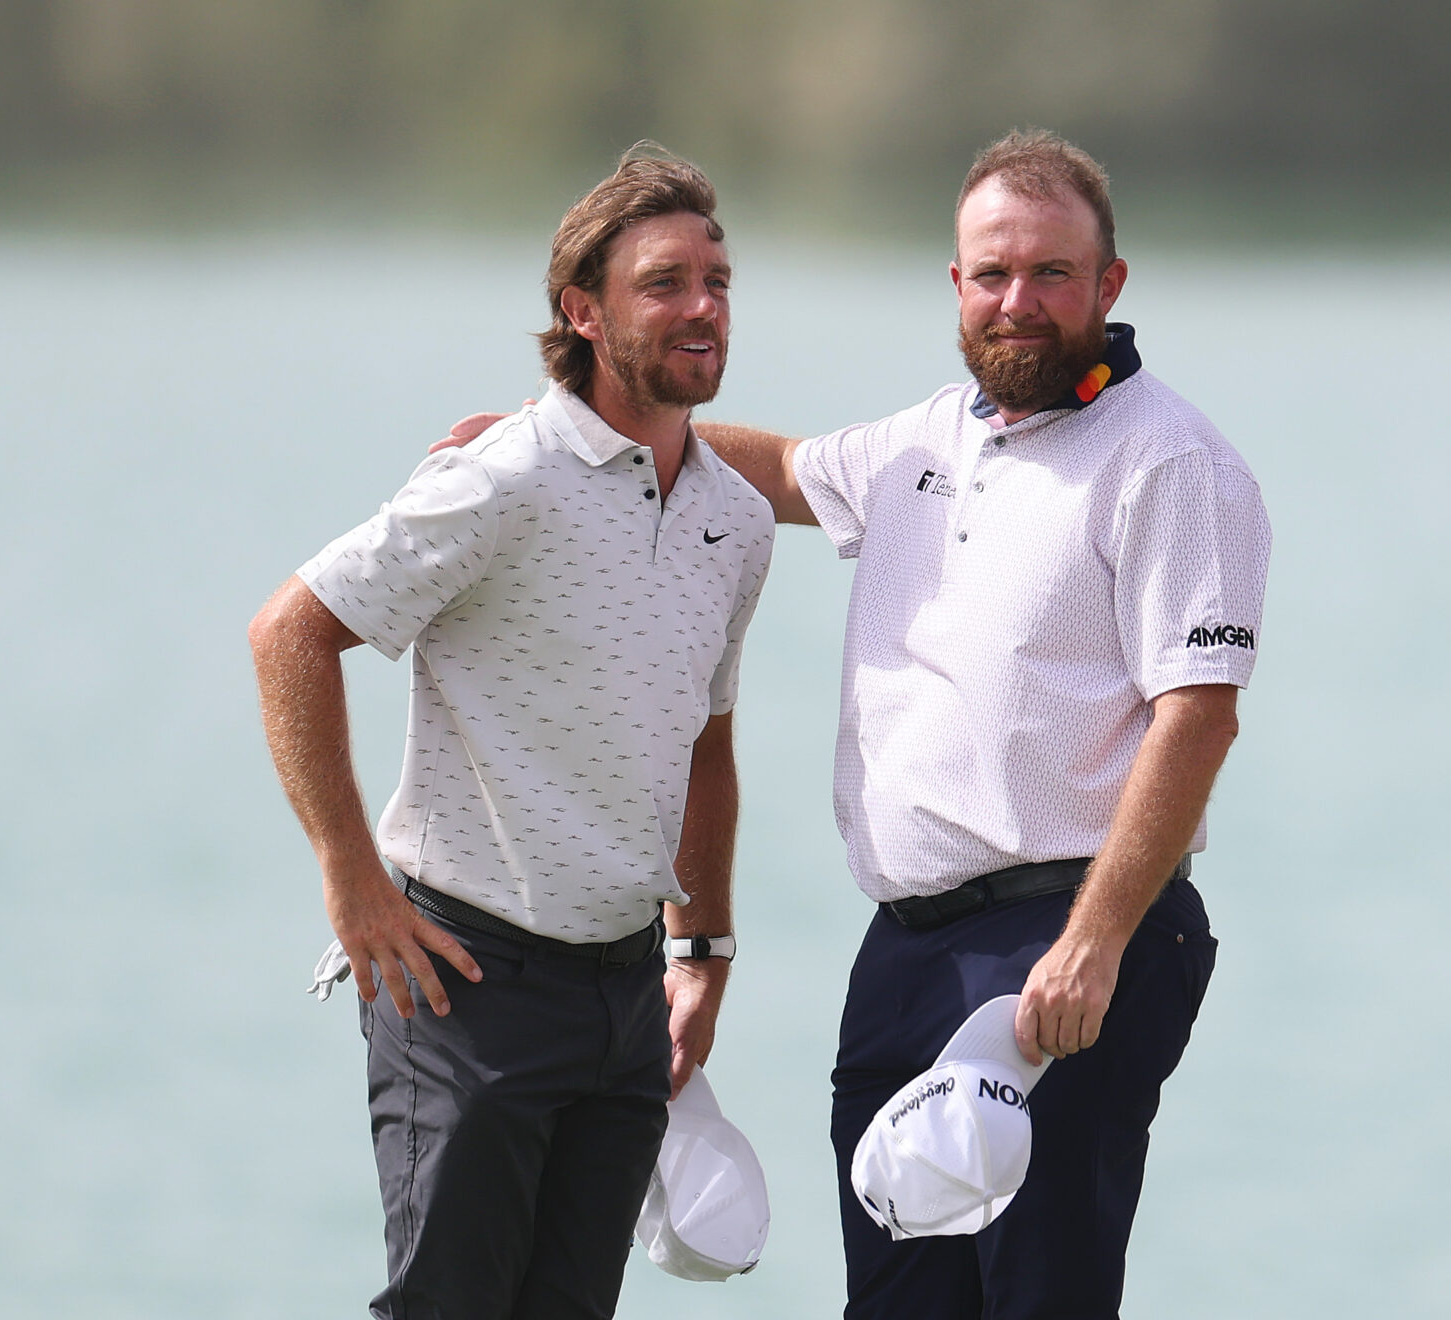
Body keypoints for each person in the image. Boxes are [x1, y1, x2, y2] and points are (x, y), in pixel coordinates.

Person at [444, 128, 1271, 1319]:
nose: (1019, 301)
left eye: (1052, 273)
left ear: (1110, 284)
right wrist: (574, 437)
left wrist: (1094, 944)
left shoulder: (1171, 463)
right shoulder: (926, 440)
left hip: (1074, 935)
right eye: (994, 273)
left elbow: (1196, 721)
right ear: (957, 284)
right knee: (894, 1302)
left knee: (1039, 1295)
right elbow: (779, 469)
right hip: (906, 949)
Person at [249, 147, 774, 1320]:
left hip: (626, 996)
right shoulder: (500, 479)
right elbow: (289, 635)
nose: (703, 306)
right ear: (584, 312)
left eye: (718, 281)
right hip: (463, 984)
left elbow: (706, 742)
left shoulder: (736, 523)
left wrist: (702, 950)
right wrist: (352, 880)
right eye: (665, 283)